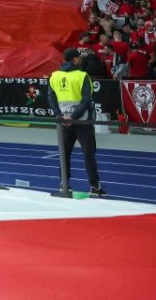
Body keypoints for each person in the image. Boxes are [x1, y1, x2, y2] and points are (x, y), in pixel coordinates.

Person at [47, 48, 105, 198]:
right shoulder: (82, 76)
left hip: (63, 122)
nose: (80, 59)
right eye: (79, 57)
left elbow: (51, 98)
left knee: (64, 154)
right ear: (74, 60)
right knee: (89, 154)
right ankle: (94, 187)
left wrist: (60, 115)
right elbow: (86, 100)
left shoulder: (54, 76)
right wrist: (73, 116)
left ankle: (64, 185)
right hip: (82, 120)